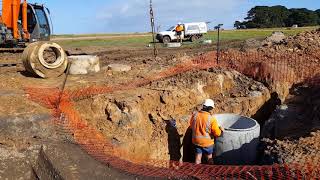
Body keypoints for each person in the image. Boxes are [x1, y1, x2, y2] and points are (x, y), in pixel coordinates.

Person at [189, 99, 224, 165]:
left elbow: (191, 126)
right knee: (209, 157)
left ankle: (197, 172)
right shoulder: (211, 119)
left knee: (198, 157)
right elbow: (217, 133)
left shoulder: (195, 115)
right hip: (207, 143)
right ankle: (210, 172)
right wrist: (220, 130)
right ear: (210, 108)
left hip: (196, 141)